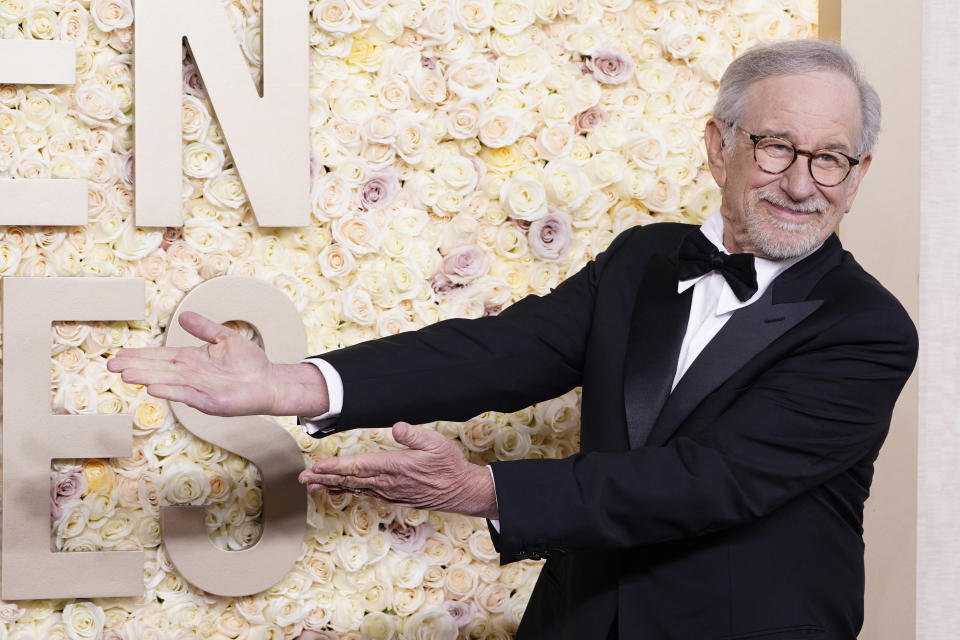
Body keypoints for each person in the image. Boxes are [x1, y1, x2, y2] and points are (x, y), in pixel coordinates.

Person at [108, 40, 918, 639]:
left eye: (832, 159)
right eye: (777, 146)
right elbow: (504, 351)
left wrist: (485, 492)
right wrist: (296, 383)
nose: (802, 182)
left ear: (859, 172)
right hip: (582, 621)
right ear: (719, 146)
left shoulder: (868, 330)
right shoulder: (643, 260)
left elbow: (708, 481)